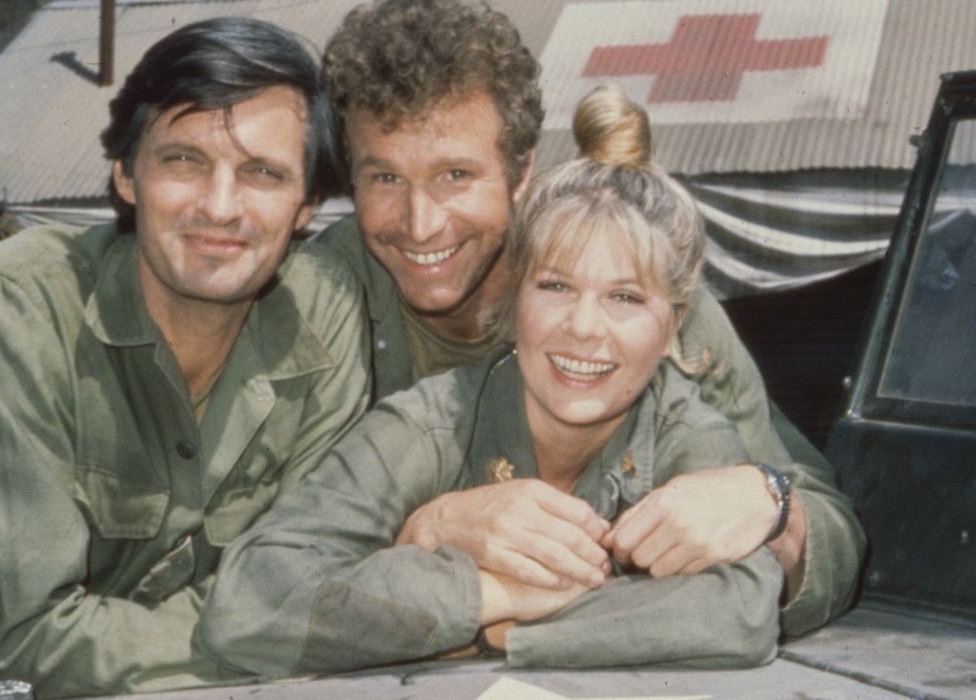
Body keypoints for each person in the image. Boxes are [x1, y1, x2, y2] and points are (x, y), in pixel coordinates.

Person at [0, 17, 369, 699]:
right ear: (126, 174)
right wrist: (289, 633)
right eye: (184, 160)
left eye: (263, 173)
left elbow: (318, 583)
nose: (220, 207)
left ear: (306, 205)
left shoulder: (327, 315)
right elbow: (28, 635)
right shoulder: (19, 306)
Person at [313, 0, 863, 638]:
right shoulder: (323, 296)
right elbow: (282, 557)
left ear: (520, 176)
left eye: (456, 175)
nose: (421, 223)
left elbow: (831, 528)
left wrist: (771, 507)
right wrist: (427, 530)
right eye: (384, 178)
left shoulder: (642, 299)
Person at [199, 84, 783, 673]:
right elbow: (249, 600)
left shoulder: (686, 425)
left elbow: (744, 607)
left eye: (625, 297)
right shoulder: (432, 420)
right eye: (555, 286)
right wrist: (487, 598)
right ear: (516, 296)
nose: (582, 327)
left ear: (673, 325)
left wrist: (509, 635)